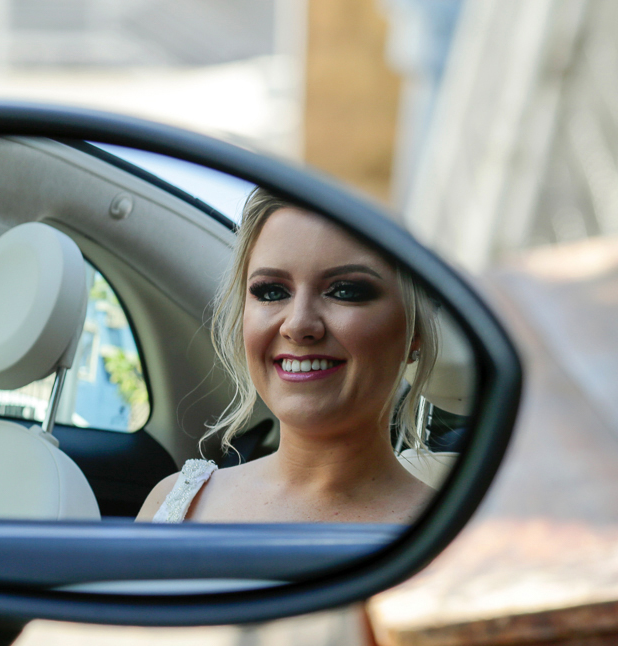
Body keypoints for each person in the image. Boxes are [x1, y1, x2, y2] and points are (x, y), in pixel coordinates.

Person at [137, 188, 439, 524]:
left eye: (345, 291)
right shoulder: (176, 501)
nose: (297, 325)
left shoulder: (460, 534)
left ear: (415, 332)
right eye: (271, 291)